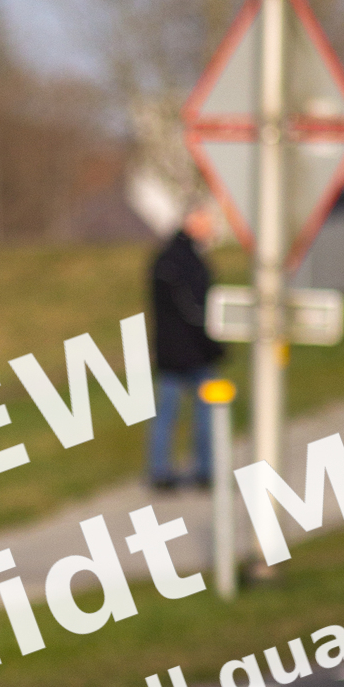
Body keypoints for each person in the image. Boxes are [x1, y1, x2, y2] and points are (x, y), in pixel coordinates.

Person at [149, 201, 224, 489]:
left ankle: (163, 471)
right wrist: (212, 343)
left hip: (173, 351)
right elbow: (192, 310)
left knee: (168, 414)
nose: (212, 230)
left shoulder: (167, 259)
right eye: (207, 223)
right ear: (193, 223)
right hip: (192, 352)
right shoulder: (183, 261)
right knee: (202, 413)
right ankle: (201, 470)